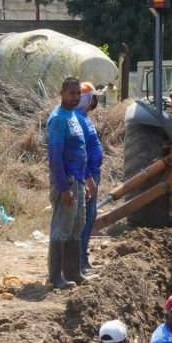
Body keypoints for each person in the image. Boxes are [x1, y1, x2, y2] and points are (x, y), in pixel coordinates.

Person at [45, 77, 92, 288]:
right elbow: (55, 156)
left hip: (78, 180)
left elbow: (80, 151)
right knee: (61, 228)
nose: (75, 97)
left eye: (78, 94)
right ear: (61, 93)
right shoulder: (58, 119)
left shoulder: (73, 116)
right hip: (67, 182)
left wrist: (86, 181)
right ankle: (55, 277)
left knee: (77, 226)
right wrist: (64, 188)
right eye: (71, 93)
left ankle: (74, 272)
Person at [75, 82, 103, 272]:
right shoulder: (77, 118)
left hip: (92, 172)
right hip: (87, 175)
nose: (95, 102)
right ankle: (79, 261)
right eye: (93, 98)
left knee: (90, 216)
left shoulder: (84, 117)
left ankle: (83, 259)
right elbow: (78, 152)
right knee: (85, 217)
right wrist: (87, 178)